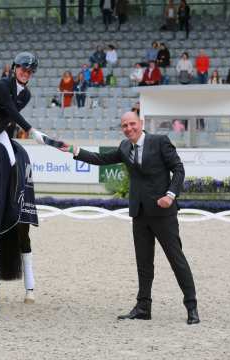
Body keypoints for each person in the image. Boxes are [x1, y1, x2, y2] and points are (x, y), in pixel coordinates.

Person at [58, 111, 200, 325]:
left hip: (163, 213)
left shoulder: (160, 141)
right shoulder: (125, 147)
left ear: (141, 123)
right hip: (139, 213)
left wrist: (170, 195)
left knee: (176, 260)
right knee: (144, 264)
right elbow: (100, 159)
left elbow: (178, 169)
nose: (128, 128)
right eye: (124, 125)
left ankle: (191, 306)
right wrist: (72, 150)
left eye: (132, 124)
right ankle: (143, 307)